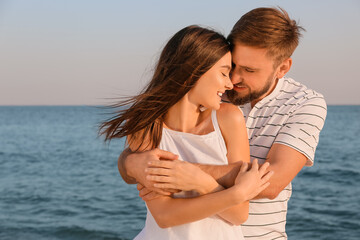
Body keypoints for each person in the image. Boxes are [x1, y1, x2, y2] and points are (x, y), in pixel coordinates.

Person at [118, 7, 327, 240]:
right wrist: (131, 163)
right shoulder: (212, 96)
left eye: (248, 70)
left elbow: (269, 182)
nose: (234, 80)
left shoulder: (304, 103)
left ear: (282, 68)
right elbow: (141, 154)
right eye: (232, 66)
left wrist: (172, 173)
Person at [99, 25, 273, 239]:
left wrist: (200, 182)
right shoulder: (145, 125)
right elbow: (164, 215)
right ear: (194, 70)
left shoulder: (228, 118)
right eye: (223, 73)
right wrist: (233, 193)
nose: (229, 84)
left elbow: (239, 214)